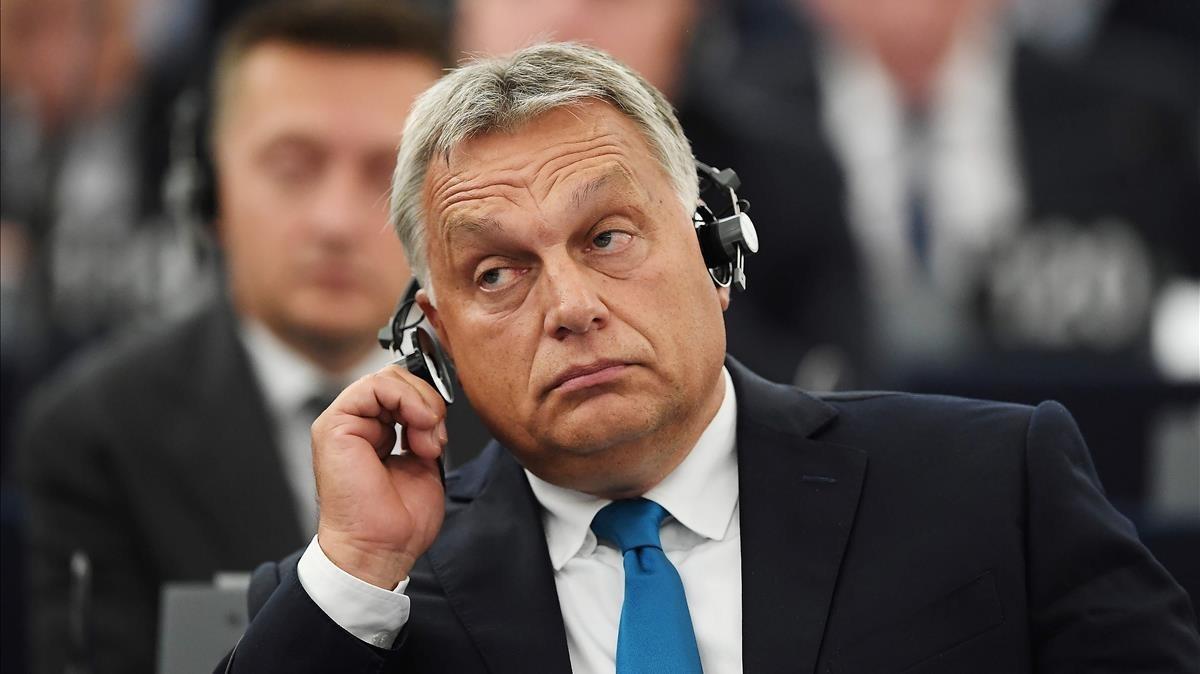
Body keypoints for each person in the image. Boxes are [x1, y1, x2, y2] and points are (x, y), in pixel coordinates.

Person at [220, 42, 1199, 672]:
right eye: (497, 274)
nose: (570, 307)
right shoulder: (367, 594)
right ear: (431, 340)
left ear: (715, 251)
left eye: (607, 237)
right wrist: (358, 567)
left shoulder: (995, 482)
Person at [15, 2, 450, 671]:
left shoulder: (525, 411)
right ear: (208, 192)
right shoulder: (90, 438)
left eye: (385, 173)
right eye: (293, 166)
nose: (336, 221)